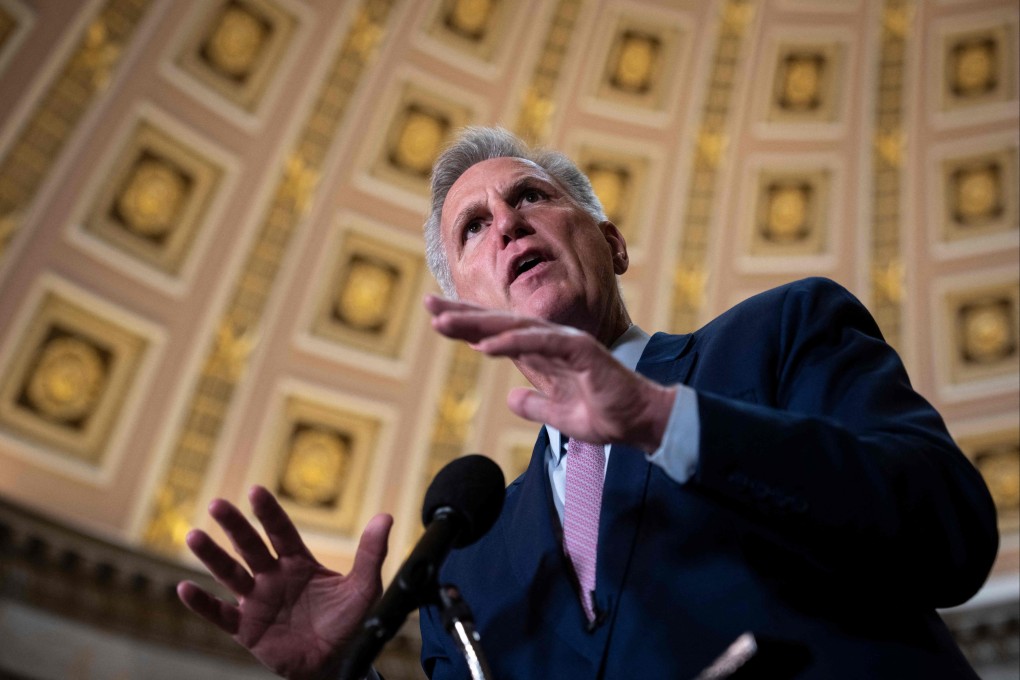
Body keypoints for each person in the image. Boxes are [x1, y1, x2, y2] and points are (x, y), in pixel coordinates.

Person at [177, 127, 999, 679]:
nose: (505, 224)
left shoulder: (780, 333)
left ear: (610, 243)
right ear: (464, 309)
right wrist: (345, 670)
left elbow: (950, 533)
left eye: (530, 197)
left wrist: (660, 420)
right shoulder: (466, 563)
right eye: (472, 228)